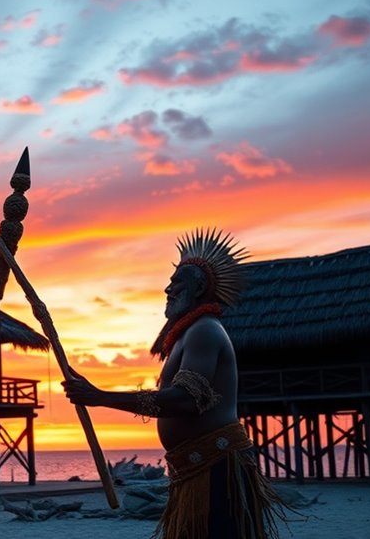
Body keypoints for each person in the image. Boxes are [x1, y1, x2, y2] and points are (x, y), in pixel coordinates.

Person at [64, 228, 285, 539]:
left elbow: (186, 400)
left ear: (199, 288)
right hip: (193, 471)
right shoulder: (186, 335)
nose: (167, 288)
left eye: (177, 282)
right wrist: (97, 395)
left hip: (216, 469)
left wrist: (101, 397)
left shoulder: (205, 331)